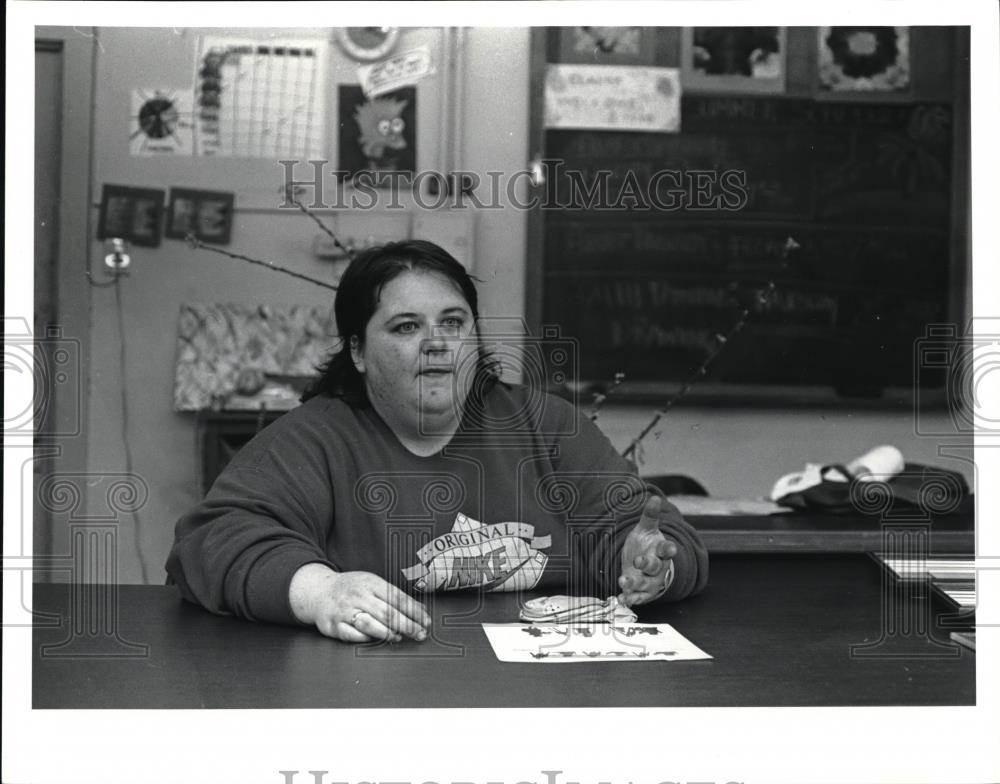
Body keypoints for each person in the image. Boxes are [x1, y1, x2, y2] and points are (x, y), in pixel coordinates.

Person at [166, 240, 708, 643]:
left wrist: (654, 568)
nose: (437, 345)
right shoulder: (313, 438)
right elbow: (209, 542)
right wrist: (319, 592)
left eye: (454, 322)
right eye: (405, 328)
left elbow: (646, 534)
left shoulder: (546, 424)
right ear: (357, 351)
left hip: (541, 694)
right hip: (372, 698)